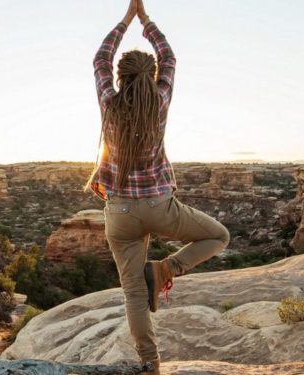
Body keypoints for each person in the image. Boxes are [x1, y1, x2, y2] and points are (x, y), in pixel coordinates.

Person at [84, 0, 231, 373]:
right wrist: (146, 20)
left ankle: (150, 364)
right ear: (152, 77)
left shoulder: (109, 103)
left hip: (118, 212)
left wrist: (125, 20)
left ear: (119, 78)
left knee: (134, 292)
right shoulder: (160, 102)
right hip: (161, 205)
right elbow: (169, 56)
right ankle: (167, 269)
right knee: (218, 236)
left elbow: (100, 58)